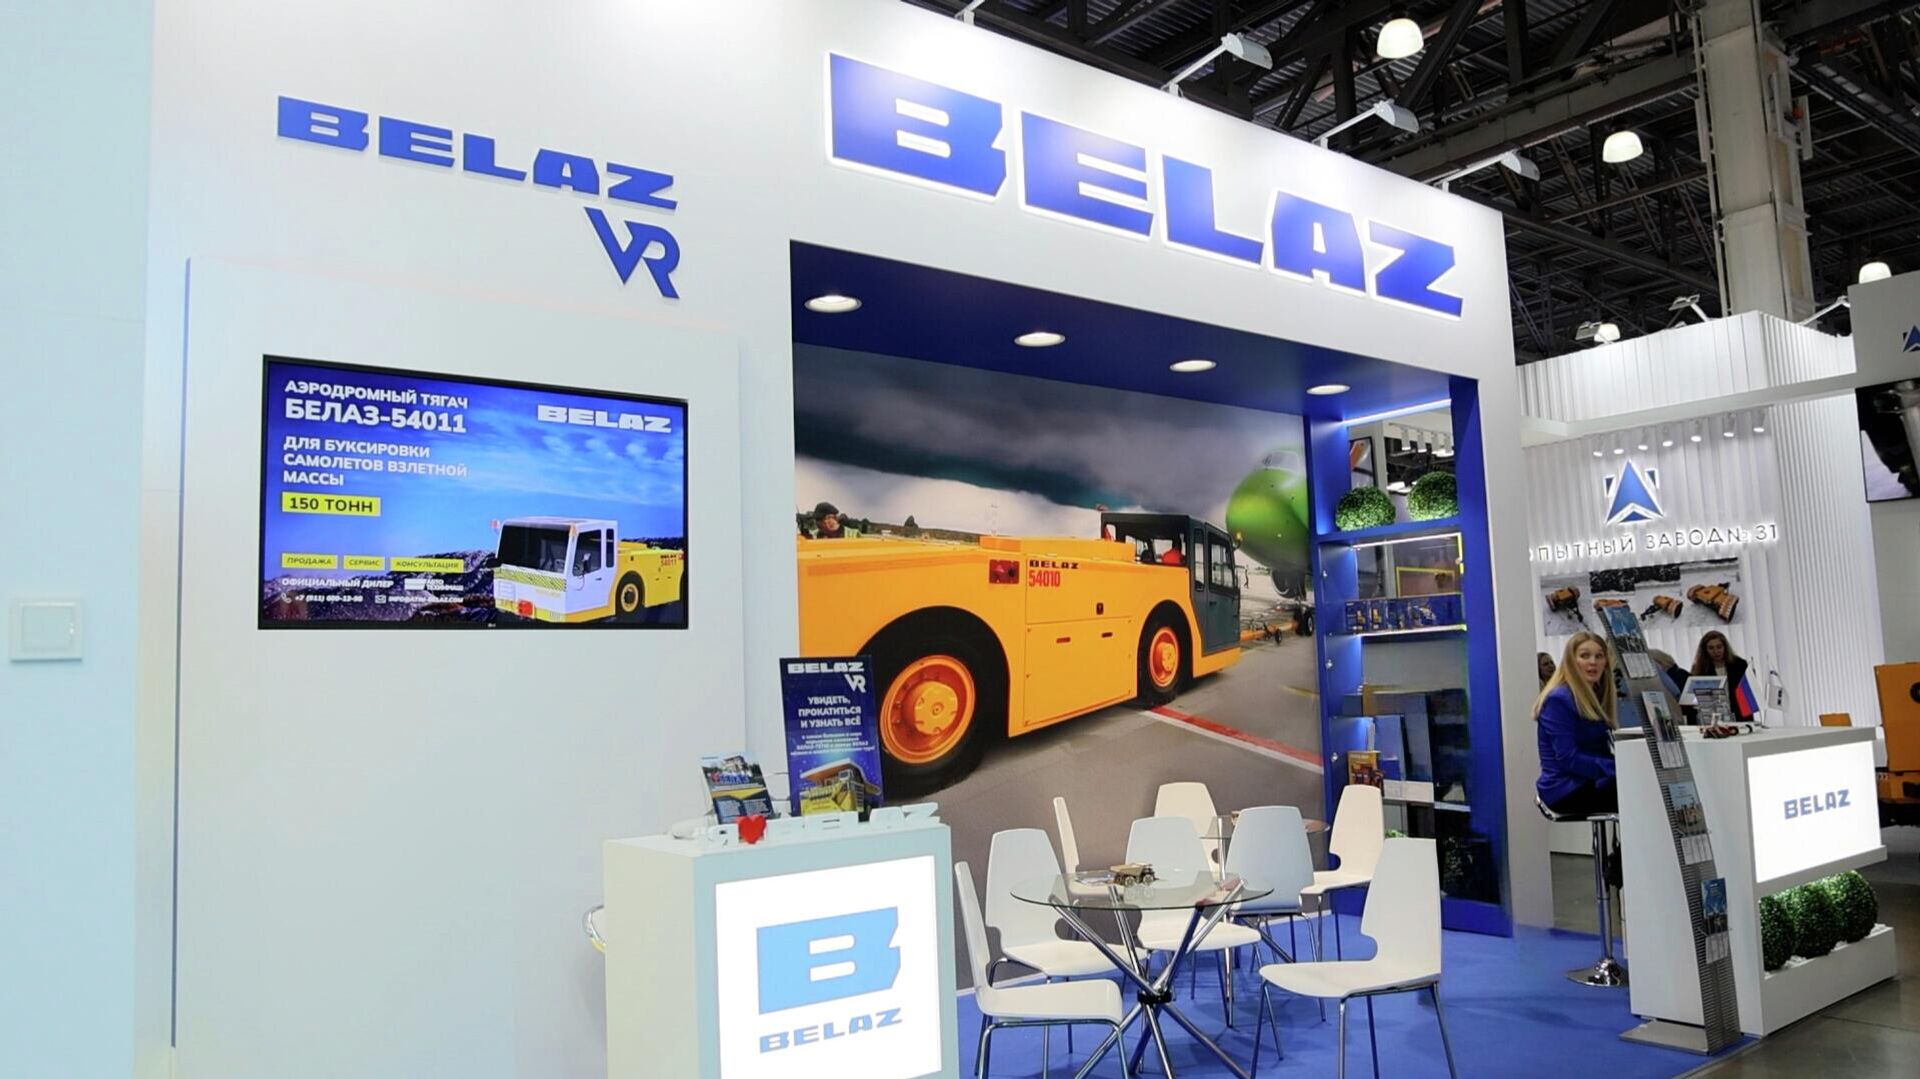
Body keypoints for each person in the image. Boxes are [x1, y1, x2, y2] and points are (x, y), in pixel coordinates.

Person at [1535, 631, 1619, 817]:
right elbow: (1568, 758)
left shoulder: (1596, 696)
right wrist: (1616, 768)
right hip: (1565, 789)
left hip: (1590, 781)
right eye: (1585, 656)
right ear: (1571, 662)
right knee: (1645, 795)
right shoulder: (1558, 699)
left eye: (1599, 656)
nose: (1593, 662)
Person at [1691, 630, 1755, 720]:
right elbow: (1696, 697)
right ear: (1705, 650)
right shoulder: (1700, 669)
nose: (1716, 651)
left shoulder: (1739, 664)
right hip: (1713, 716)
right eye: (1711, 648)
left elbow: (1747, 695)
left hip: (1739, 713)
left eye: (1719, 647)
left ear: (1725, 647)